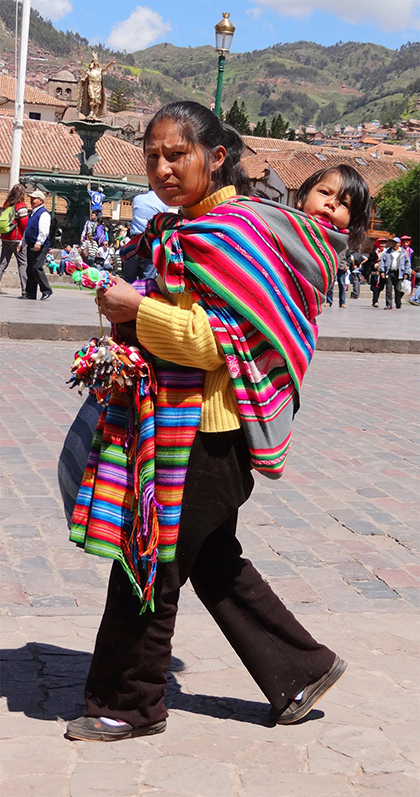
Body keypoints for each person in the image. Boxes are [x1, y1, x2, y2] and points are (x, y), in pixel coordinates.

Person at [64, 102, 370, 743]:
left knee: (149, 557)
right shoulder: (188, 229)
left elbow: (219, 344)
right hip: (176, 420)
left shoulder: (230, 232)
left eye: (177, 155)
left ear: (217, 157)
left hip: (210, 431)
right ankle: (300, 670)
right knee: (211, 558)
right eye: (152, 157)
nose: (163, 168)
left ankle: (130, 701)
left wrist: (137, 309)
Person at [122, 189, 169, 282]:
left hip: (136, 238)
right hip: (152, 239)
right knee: (149, 276)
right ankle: (145, 293)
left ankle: (126, 293)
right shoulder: (163, 202)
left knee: (129, 275)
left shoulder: (137, 199)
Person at [19, 189, 52, 300]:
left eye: (34, 199)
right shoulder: (32, 213)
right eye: (31, 198)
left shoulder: (43, 213)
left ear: (41, 201)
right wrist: (22, 242)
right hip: (31, 244)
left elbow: (44, 230)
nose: (32, 201)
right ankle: (30, 293)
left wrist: (39, 242)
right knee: (30, 269)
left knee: (36, 267)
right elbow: (28, 230)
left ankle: (46, 290)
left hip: (40, 245)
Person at [0, 183, 28, 297]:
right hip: (17, 238)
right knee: (22, 264)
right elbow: (24, 223)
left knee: (2, 263)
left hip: (5, 237)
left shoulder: (6, 204)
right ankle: (25, 290)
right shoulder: (21, 206)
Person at [380, 237, 411, 309]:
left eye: (396, 243)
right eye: (393, 242)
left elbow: (407, 264)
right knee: (388, 289)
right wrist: (382, 271)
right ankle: (389, 304)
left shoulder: (403, 253)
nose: (394, 244)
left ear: (399, 244)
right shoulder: (387, 252)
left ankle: (398, 302)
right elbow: (382, 262)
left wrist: (406, 273)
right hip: (389, 272)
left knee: (398, 289)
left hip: (399, 273)